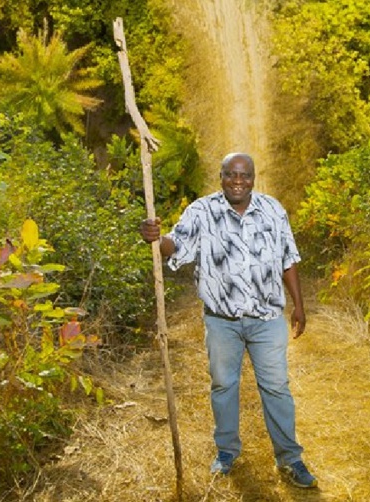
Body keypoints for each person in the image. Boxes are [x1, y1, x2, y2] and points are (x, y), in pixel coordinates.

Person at [139, 152, 317, 489]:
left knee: (277, 388)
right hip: (221, 321)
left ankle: (290, 458)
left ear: (253, 178)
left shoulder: (273, 210)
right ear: (220, 177)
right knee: (223, 386)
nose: (238, 181)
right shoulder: (201, 211)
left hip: (267, 318)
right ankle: (226, 452)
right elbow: (176, 247)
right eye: (231, 175)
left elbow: (288, 260)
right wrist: (153, 237)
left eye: (244, 175)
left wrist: (299, 305)